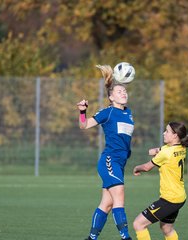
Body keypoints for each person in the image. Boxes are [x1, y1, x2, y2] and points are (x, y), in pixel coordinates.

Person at [77, 64, 134, 240]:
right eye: (119, 92)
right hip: (109, 160)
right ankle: (126, 237)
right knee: (120, 196)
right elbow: (84, 126)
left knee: (107, 204)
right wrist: (82, 112)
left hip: (120, 163)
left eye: (124, 91)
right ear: (111, 97)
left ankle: (91, 238)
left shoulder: (129, 113)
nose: (123, 93)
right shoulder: (107, 112)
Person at [132, 122, 188, 240]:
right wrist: (156, 150)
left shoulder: (166, 152)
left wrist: (136, 168)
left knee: (138, 224)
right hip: (180, 197)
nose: (164, 133)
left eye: (167, 131)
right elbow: (161, 150)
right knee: (167, 229)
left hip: (169, 199)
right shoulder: (181, 147)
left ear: (175, 136)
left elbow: (146, 167)